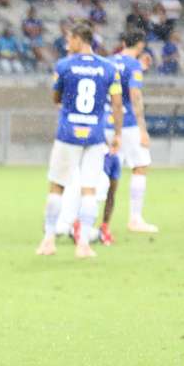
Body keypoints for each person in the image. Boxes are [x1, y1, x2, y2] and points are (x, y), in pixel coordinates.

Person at [36, 20, 123, 258]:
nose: (67, 44)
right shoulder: (108, 68)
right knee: (89, 190)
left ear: (78, 39)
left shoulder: (64, 65)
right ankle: (83, 243)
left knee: (57, 186)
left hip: (68, 133)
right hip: (95, 134)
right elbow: (116, 104)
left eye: (69, 40)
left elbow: (56, 97)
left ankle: (49, 240)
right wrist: (117, 134)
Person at [100, 29, 158, 239]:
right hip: (127, 124)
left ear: (123, 42)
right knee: (140, 166)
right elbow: (134, 96)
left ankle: (80, 220)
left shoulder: (106, 61)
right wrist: (143, 129)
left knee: (102, 172)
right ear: (141, 45)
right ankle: (135, 218)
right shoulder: (133, 65)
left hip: (106, 123)